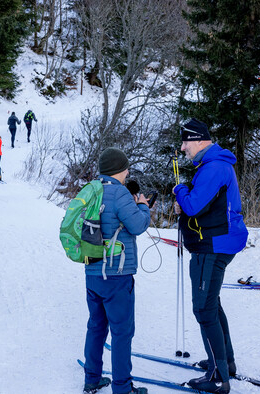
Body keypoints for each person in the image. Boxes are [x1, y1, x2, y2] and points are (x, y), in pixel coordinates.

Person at [172, 118, 248, 394]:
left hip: (213, 245)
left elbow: (192, 205)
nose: (183, 148)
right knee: (211, 304)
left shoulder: (214, 167)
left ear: (199, 140)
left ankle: (218, 376)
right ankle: (225, 362)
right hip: (214, 242)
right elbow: (202, 204)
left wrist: (180, 190)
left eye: (185, 142)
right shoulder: (211, 164)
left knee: (204, 309)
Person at [82, 147, 151, 394]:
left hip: (92, 271)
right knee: (122, 331)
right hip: (117, 274)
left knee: (96, 325)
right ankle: (122, 387)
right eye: (126, 168)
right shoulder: (120, 193)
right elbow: (138, 225)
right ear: (121, 170)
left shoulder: (91, 191)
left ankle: (92, 378)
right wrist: (143, 206)